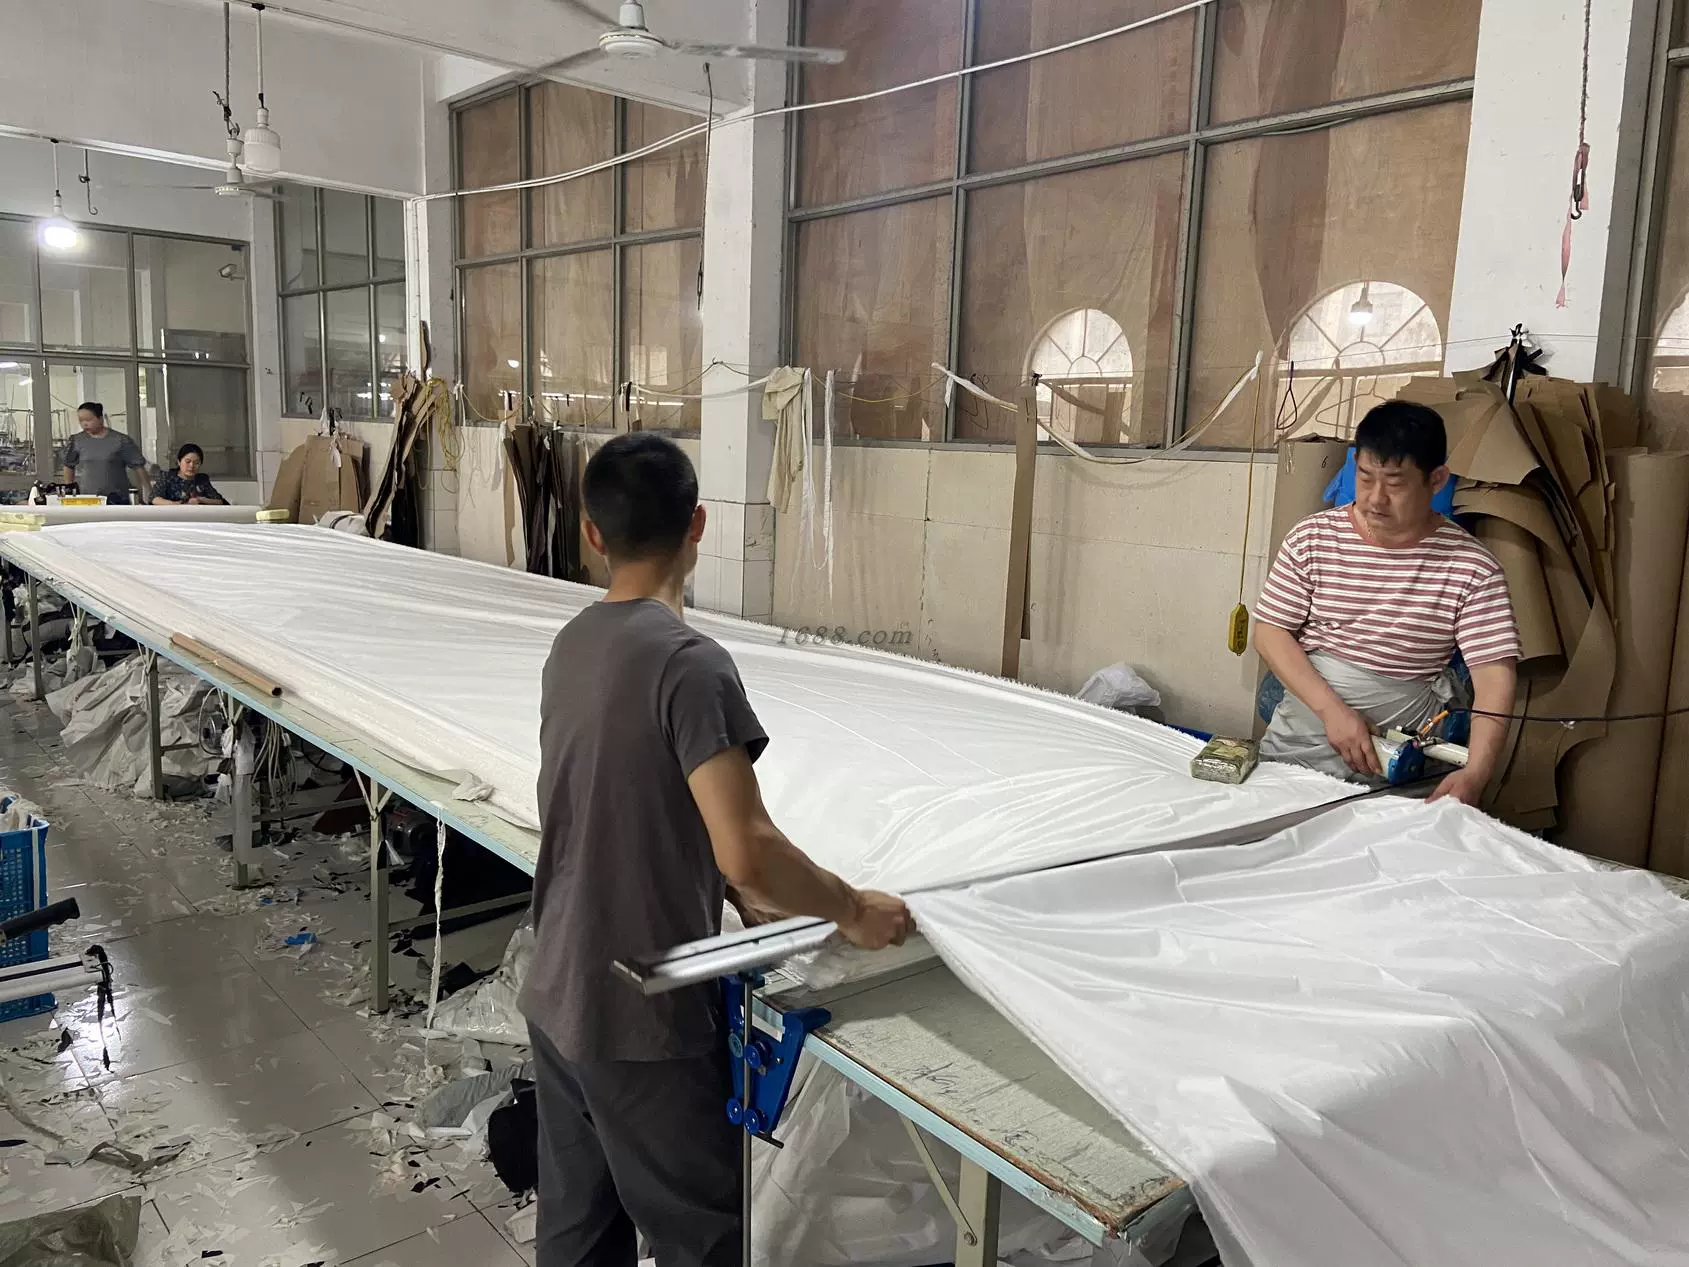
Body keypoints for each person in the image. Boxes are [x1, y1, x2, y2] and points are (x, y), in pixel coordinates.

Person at [520, 432, 912, 1267]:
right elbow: (748, 847)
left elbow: (616, 798)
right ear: (698, 523)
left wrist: (726, 886)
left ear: (590, 533)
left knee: (579, 1234)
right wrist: (851, 908)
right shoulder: (689, 664)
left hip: (556, 990)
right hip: (639, 1016)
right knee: (701, 1242)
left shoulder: (571, 643)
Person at [1253, 400, 1521, 804]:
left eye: (1395, 484)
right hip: (1304, 742)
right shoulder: (1313, 538)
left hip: (1399, 761)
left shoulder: (1472, 567)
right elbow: (1270, 631)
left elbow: (1494, 678)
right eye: (1365, 478)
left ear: (1436, 480)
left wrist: (1476, 772)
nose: (1375, 499)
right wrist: (1333, 713)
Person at [61, 402, 151, 505]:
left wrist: (148, 491)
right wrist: (69, 489)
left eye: (89, 420)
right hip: (88, 498)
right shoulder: (77, 440)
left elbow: (138, 467)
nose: (84, 424)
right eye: (81, 420)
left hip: (117, 497)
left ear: (100, 418)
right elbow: (68, 465)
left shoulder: (121, 440)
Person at [152, 443, 228, 506]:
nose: (192, 466)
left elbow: (219, 501)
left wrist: (200, 500)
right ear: (179, 462)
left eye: (196, 463)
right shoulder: (167, 476)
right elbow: (154, 498)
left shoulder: (202, 479)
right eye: (188, 461)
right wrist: (176, 505)